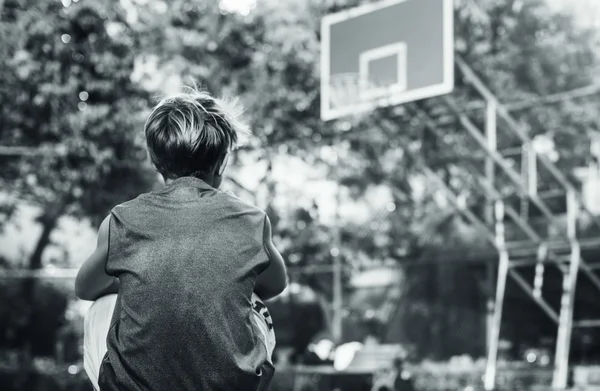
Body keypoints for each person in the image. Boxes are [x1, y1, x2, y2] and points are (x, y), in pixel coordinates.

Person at [75, 87, 288, 391]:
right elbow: (276, 284)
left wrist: (134, 280)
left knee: (101, 306)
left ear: (155, 160)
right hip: (232, 385)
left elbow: (85, 288)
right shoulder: (253, 220)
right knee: (252, 299)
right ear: (222, 162)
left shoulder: (120, 220)